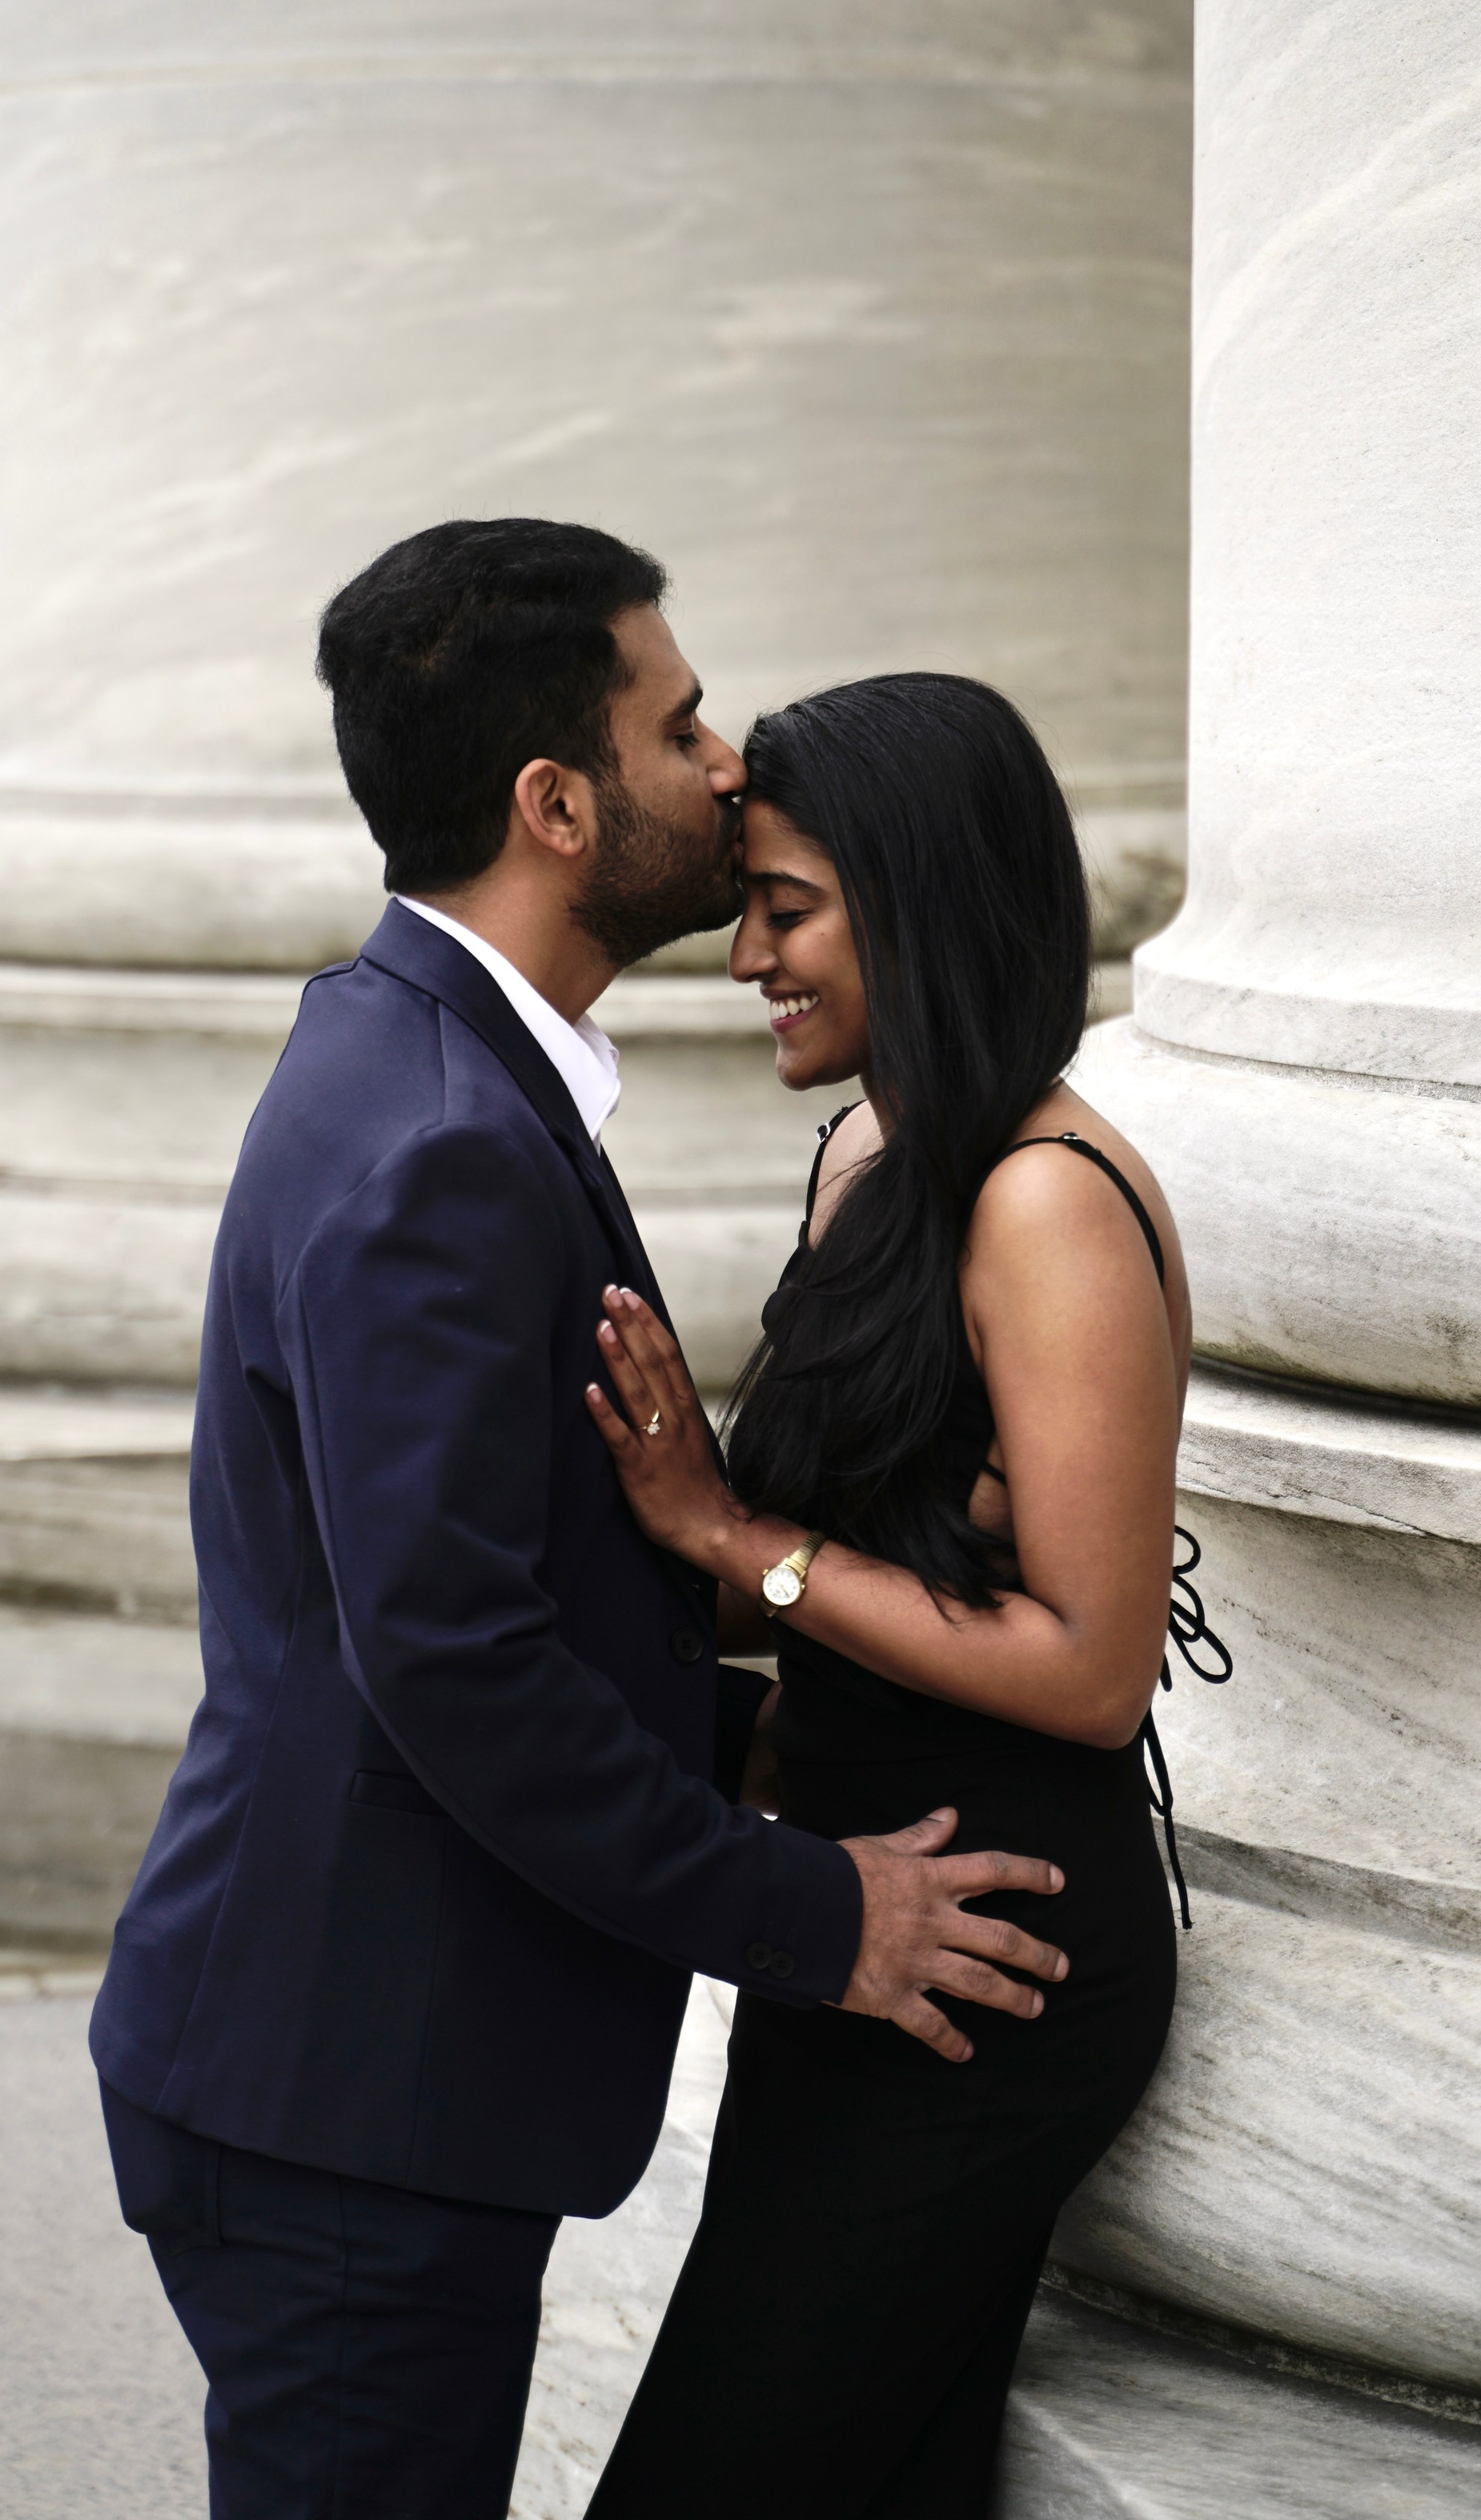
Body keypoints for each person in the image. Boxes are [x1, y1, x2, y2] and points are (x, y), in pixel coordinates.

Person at [87, 526, 1068, 2520]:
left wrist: (774, 1739)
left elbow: (485, 1599)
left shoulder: (423, 1064)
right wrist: (821, 1919)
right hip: (350, 2098)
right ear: (554, 802)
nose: (724, 762)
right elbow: (451, 1661)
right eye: (677, 717)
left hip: (348, 2064)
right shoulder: (443, 1140)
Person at [581, 671, 1194, 2519]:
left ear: (917, 902)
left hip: (997, 1957)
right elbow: (874, 1553)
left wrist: (728, 1539)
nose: (747, 953)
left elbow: (1091, 1670)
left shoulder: (1049, 1201)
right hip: (847, 1919)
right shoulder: (867, 1148)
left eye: (790, 908)